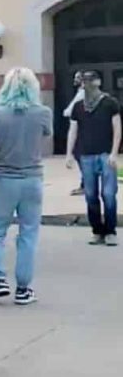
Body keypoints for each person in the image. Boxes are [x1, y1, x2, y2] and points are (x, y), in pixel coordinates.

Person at [0, 68, 53, 305]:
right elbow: (44, 138)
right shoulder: (43, 113)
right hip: (32, 179)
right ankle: (23, 289)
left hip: (3, 179)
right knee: (28, 234)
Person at [66, 70, 121, 246]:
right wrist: (69, 154)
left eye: (89, 81)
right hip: (86, 155)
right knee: (90, 195)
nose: (86, 84)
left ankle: (110, 231)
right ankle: (97, 231)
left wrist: (114, 152)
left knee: (109, 194)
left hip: (106, 155)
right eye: (84, 81)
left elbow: (117, 129)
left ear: (98, 82)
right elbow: (73, 131)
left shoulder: (110, 103)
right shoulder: (78, 107)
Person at [63, 71, 86, 196]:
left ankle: (85, 185)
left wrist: (65, 111)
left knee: (81, 157)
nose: (74, 81)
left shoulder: (82, 94)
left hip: (80, 128)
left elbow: (69, 111)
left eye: (77, 78)